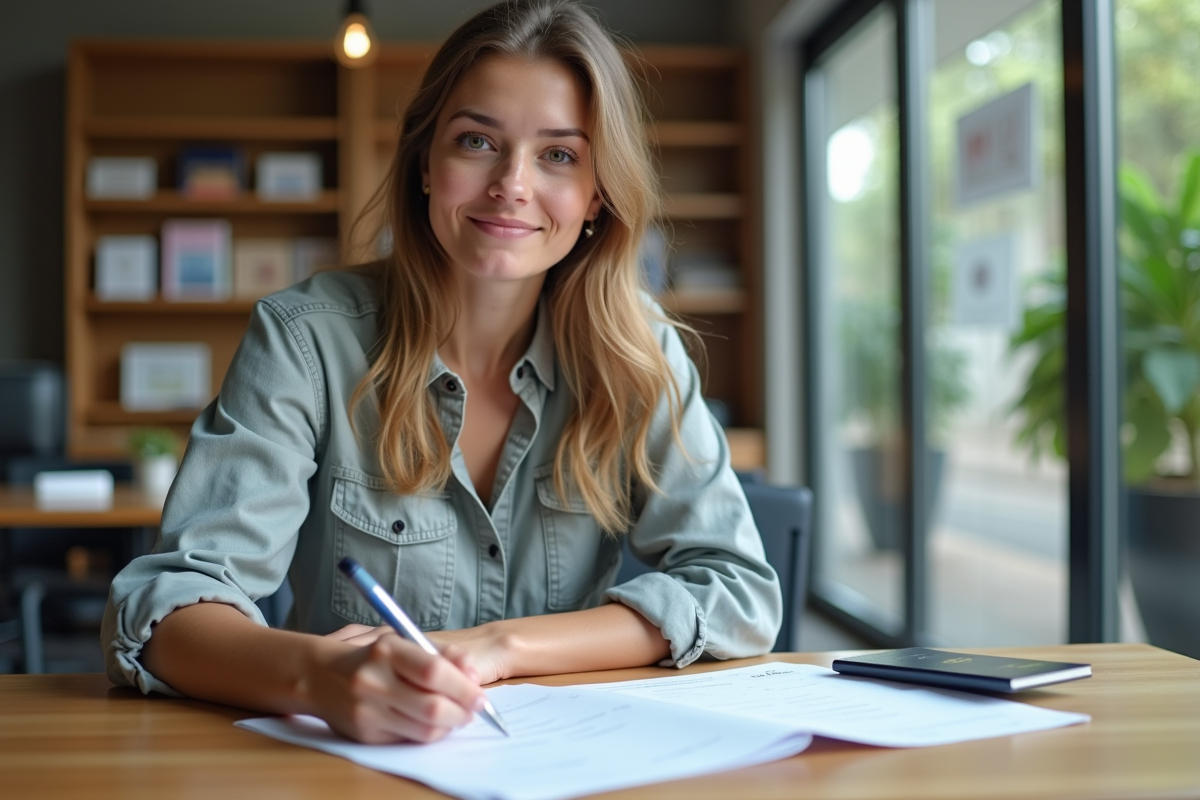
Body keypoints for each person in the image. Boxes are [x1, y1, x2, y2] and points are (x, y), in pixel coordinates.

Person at [102, 0, 781, 745]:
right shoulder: (306, 339)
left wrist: (504, 646)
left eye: (559, 155)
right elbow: (166, 606)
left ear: (596, 195)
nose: (512, 185)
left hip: (562, 763)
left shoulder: (639, 351)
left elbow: (738, 591)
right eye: (477, 141)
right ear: (426, 162)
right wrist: (315, 679)